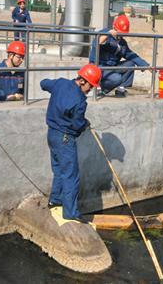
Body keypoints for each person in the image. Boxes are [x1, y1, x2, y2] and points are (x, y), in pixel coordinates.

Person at [40, 64, 102, 223]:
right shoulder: (80, 101)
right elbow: (77, 124)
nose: (90, 90)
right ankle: (70, 212)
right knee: (71, 175)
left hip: (51, 134)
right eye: (90, 86)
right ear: (82, 81)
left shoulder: (60, 83)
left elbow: (43, 83)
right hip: (65, 138)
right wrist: (84, 124)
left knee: (59, 170)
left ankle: (55, 200)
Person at [88, 14, 149, 98]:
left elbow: (131, 55)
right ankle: (99, 89)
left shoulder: (122, 43)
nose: (121, 35)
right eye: (119, 32)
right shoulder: (104, 32)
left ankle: (120, 90)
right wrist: (108, 34)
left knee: (130, 64)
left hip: (112, 67)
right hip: (99, 67)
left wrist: (146, 65)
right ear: (114, 27)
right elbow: (97, 43)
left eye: (123, 33)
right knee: (117, 78)